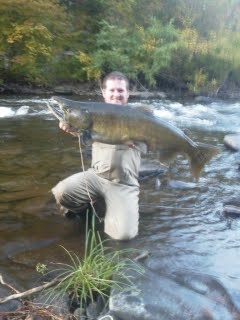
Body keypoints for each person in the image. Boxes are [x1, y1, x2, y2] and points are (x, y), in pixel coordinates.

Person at [52, 71, 143, 241]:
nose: (116, 94)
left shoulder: (140, 119)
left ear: (128, 93)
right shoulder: (93, 116)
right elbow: (84, 134)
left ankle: (109, 205)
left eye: (121, 91)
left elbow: (151, 144)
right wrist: (70, 126)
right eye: (112, 90)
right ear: (104, 93)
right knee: (61, 192)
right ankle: (88, 207)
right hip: (95, 177)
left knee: (123, 236)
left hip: (123, 184)